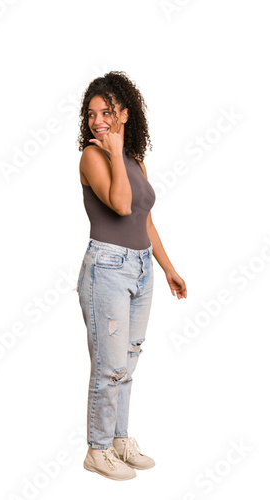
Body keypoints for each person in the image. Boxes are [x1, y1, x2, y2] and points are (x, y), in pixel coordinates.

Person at [75, 71, 187, 480]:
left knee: (129, 360)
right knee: (109, 364)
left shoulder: (135, 159)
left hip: (141, 268)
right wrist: (114, 148)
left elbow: (145, 221)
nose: (98, 120)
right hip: (106, 268)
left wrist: (169, 269)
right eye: (91, 114)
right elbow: (121, 206)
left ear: (125, 112)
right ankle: (98, 448)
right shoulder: (93, 157)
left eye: (107, 111)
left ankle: (120, 439)